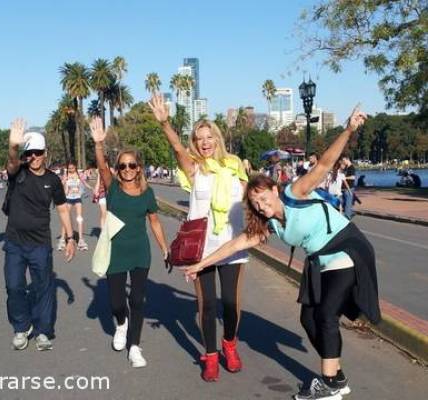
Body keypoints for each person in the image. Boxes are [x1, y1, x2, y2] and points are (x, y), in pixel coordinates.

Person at [184, 107, 380, 400]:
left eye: (263, 198)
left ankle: (328, 385)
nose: (262, 206)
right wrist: (199, 264)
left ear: (275, 190)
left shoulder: (295, 192)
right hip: (321, 261)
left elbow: (325, 164)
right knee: (309, 319)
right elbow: (234, 245)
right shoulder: (269, 223)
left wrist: (349, 129)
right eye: (255, 203)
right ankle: (337, 378)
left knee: (326, 314)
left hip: (346, 247)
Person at [149, 94, 249, 382]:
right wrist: (165, 123)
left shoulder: (234, 166)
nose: (205, 142)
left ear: (217, 139)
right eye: (199, 138)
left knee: (231, 304)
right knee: (207, 306)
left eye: (209, 137)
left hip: (233, 245)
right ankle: (210, 355)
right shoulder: (193, 168)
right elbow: (177, 147)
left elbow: (251, 200)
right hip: (203, 248)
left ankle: (229, 344)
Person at [89, 116, 169, 368]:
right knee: (116, 303)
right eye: (122, 166)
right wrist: (99, 144)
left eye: (131, 165)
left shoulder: (147, 193)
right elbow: (102, 168)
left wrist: (164, 248)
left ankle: (135, 346)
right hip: (116, 252)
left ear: (139, 168)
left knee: (137, 300)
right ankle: (121, 324)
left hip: (139, 253)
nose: (126, 170)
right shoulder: (112, 189)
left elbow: (154, 222)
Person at [4, 119, 76, 352]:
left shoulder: (53, 180)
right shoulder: (18, 173)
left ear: (45, 153)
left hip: (40, 244)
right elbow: (12, 162)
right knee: (14, 286)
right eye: (29, 153)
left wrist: (70, 238)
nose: (33, 157)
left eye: (38, 152)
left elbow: (63, 208)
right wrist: (14, 146)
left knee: (44, 287)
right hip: (15, 242)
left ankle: (43, 331)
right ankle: (21, 326)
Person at [57, 160, 93, 251]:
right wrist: (63, 181)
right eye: (69, 168)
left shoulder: (79, 174)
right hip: (68, 199)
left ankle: (81, 239)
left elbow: (85, 183)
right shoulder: (66, 175)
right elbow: (60, 185)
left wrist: (92, 188)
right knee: (66, 218)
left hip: (77, 198)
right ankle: (62, 239)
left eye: (72, 168)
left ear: (75, 167)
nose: (70, 170)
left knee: (79, 218)